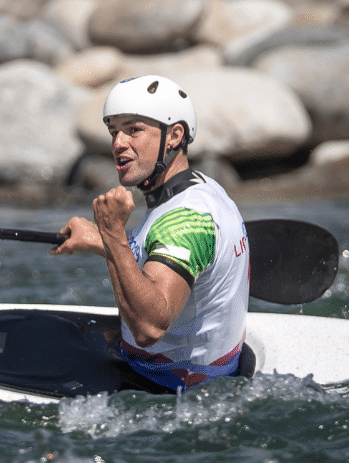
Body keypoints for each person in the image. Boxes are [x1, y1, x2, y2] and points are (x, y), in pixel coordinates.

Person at [50, 75, 249, 392]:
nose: (118, 143)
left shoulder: (186, 220)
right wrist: (103, 242)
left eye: (134, 130)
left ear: (174, 136)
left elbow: (148, 327)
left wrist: (113, 234)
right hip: (210, 371)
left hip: (169, 390)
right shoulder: (204, 189)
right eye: (114, 131)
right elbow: (165, 253)